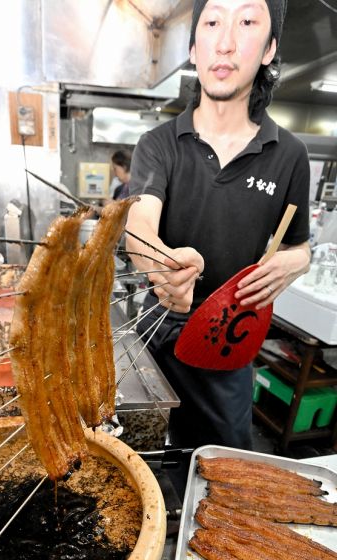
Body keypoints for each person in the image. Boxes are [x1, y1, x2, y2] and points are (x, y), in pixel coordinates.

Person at [126, 0, 310, 481]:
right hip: (157, 329)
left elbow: (297, 244)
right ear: (192, 48)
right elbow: (138, 225)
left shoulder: (289, 155)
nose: (225, 41)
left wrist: (299, 262)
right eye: (212, 22)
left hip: (229, 335)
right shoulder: (160, 144)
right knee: (139, 460)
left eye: (247, 22)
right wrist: (161, 262)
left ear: (269, 49)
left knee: (226, 467)